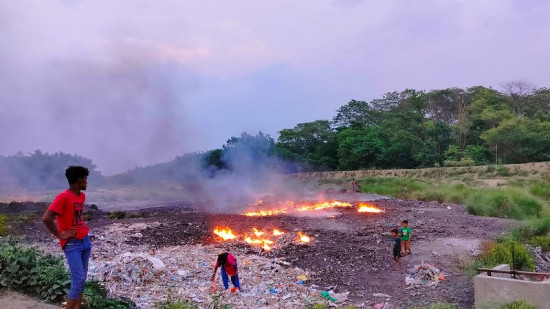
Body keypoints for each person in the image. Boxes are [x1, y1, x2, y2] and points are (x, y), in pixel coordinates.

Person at [42, 166, 91, 309]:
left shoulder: (81, 196)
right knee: (79, 280)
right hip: (72, 244)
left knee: (81, 280)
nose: (87, 182)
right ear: (79, 180)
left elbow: (75, 216)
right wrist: (59, 235)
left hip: (85, 241)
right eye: (85, 179)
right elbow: (46, 218)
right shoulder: (63, 197)